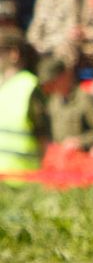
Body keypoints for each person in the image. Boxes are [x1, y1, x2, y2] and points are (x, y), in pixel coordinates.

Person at [0, 27, 46, 172]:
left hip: (25, 177)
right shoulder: (3, 85)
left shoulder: (29, 85)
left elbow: (43, 134)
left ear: (14, 54)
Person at [41, 59, 93, 156]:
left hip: (81, 159)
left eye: (54, 81)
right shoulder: (54, 102)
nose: (51, 87)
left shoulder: (84, 98)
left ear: (65, 76)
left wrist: (80, 141)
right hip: (60, 159)